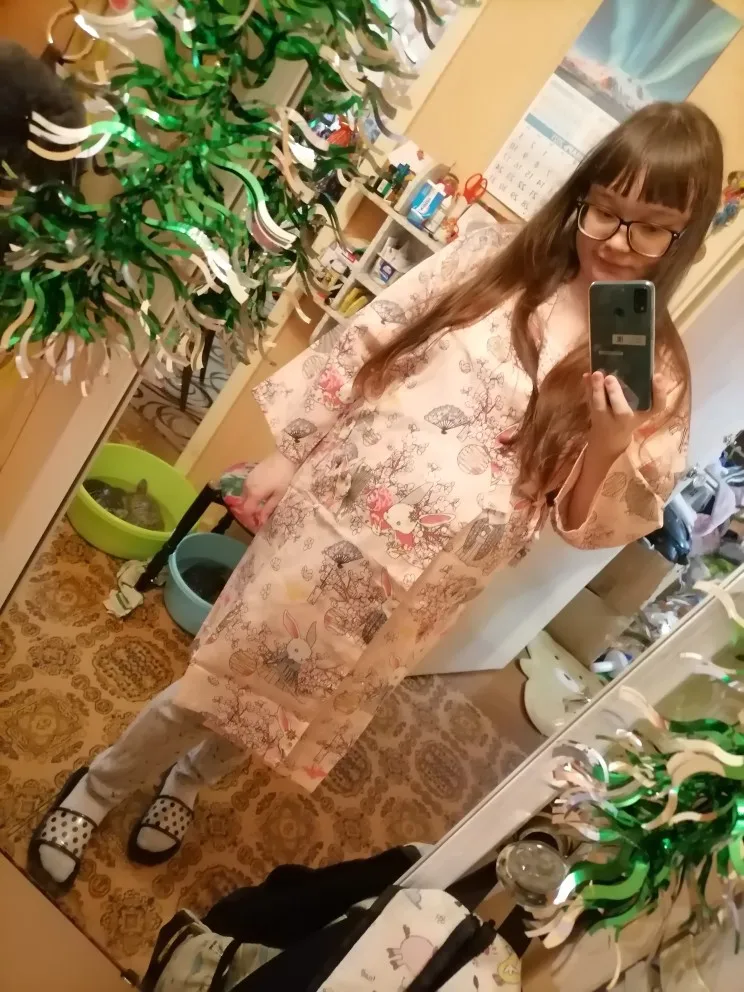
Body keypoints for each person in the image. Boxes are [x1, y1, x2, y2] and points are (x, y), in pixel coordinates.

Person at [29, 101, 723, 894]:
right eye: (605, 209)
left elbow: (583, 521)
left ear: (686, 235)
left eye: (650, 227)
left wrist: (607, 441)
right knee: (218, 676)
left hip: (425, 590)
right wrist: (288, 452)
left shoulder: (656, 372)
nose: (617, 240)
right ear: (583, 194)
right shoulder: (495, 258)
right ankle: (100, 785)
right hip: (334, 521)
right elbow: (375, 339)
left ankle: (186, 781)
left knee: (289, 706)